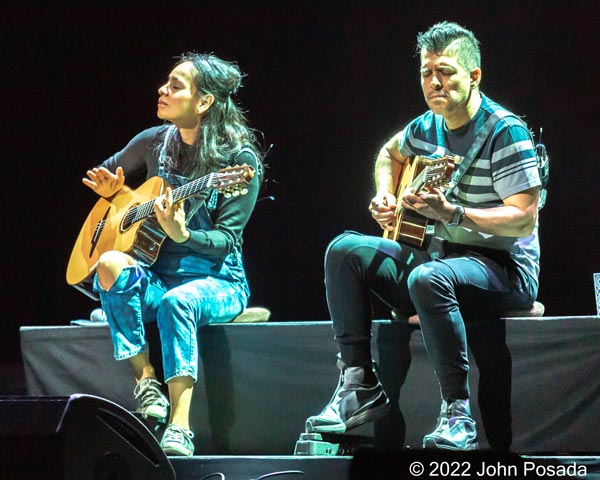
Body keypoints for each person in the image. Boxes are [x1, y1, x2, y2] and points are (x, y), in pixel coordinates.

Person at [305, 21, 541, 451]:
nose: (435, 82)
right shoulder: (427, 126)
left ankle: (457, 414)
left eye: (446, 71)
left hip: (503, 268)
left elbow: (523, 219)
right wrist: (383, 193)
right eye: (427, 72)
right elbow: (389, 153)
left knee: (427, 278)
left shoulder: (506, 132)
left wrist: (454, 212)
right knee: (343, 250)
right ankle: (359, 384)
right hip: (441, 261)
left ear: (474, 77)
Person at [82, 53, 263, 456]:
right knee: (110, 263)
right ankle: (146, 381)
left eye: (176, 86)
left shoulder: (239, 161)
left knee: (179, 301)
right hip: (157, 278)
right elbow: (106, 174)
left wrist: (182, 233)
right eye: (166, 83)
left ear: (203, 102)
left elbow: (225, 241)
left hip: (218, 281)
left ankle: (179, 426)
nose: (162, 91)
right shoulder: (153, 141)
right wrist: (117, 195)